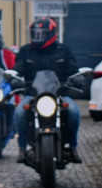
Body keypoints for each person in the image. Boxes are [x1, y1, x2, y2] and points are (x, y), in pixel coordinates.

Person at [13, 17, 83, 164]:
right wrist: (14, 79)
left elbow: (73, 69)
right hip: (32, 94)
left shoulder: (63, 51)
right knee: (19, 113)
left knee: (73, 112)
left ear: (51, 34)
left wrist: (77, 78)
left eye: (43, 34)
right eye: (35, 33)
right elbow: (18, 69)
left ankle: (73, 147)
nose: (38, 37)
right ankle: (22, 148)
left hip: (59, 94)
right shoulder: (26, 51)